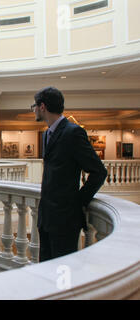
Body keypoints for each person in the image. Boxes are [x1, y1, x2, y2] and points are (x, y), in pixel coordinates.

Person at [31, 87, 107, 262]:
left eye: (34, 106)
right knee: (46, 270)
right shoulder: (47, 134)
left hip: (65, 220)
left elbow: (99, 172)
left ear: (42, 106)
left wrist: (78, 201)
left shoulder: (73, 133)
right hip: (46, 218)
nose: (33, 110)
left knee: (62, 273)